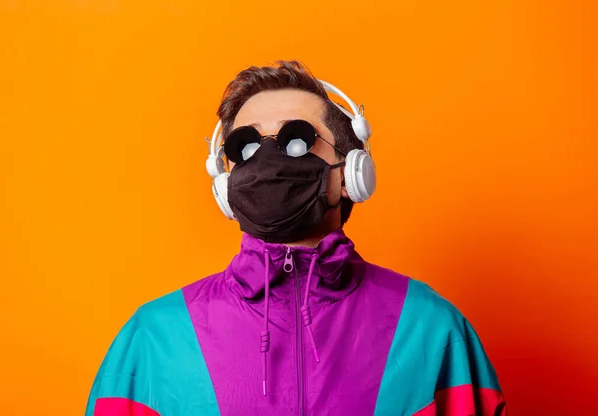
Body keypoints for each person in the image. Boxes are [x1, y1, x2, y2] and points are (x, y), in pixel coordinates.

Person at [85, 61, 506, 416]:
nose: (266, 160)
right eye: (246, 148)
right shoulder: (153, 339)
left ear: (351, 174)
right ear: (226, 188)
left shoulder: (432, 330)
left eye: (297, 141)